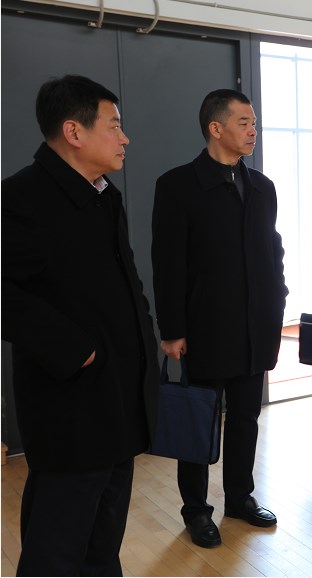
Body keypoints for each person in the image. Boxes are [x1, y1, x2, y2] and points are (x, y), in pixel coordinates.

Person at [1, 75, 159, 576]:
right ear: (74, 131)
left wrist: (146, 344)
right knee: (56, 550)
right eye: (114, 125)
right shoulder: (20, 197)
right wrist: (76, 350)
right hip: (69, 407)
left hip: (118, 397)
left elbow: (126, 283)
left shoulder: (103, 195)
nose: (124, 137)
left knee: (102, 542)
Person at [151, 89, 288, 549]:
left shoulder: (263, 187)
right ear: (216, 128)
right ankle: (195, 510)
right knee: (200, 419)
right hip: (206, 327)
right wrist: (172, 330)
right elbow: (168, 263)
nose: (253, 130)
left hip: (256, 326)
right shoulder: (177, 185)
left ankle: (240, 498)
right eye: (244, 122)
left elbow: (273, 250)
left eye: (254, 123)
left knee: (247, 417)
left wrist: (278, 300)